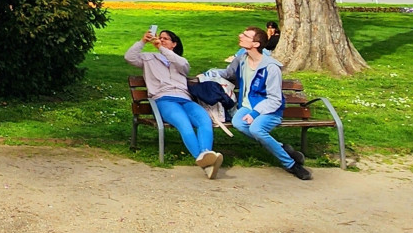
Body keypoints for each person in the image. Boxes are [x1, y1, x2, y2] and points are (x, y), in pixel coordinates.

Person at [126, 29, 223, 178]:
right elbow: (129, 57)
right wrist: (143, 41)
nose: (161, 40)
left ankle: (205, 156)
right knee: (184, 124)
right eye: (160, 38)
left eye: (165, 39)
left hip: (185, 99)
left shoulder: (180, 61)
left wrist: (161, 48)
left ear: (174, 44)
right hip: (164, 99)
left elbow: (182, 65)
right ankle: (205, 161)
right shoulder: (149, 58)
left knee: (204, 121)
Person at [220, 25, 310, 180]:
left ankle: (291, 164)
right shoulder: (242, 59)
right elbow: (227, 73)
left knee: (256, 129)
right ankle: (282, 148)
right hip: (248, 106)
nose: (240, 36)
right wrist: (207, 74)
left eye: (246, 36)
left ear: (256, 44)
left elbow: (275, 99)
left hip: (269, 109)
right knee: (238, 122)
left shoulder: (271, 68)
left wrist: (255, 113)